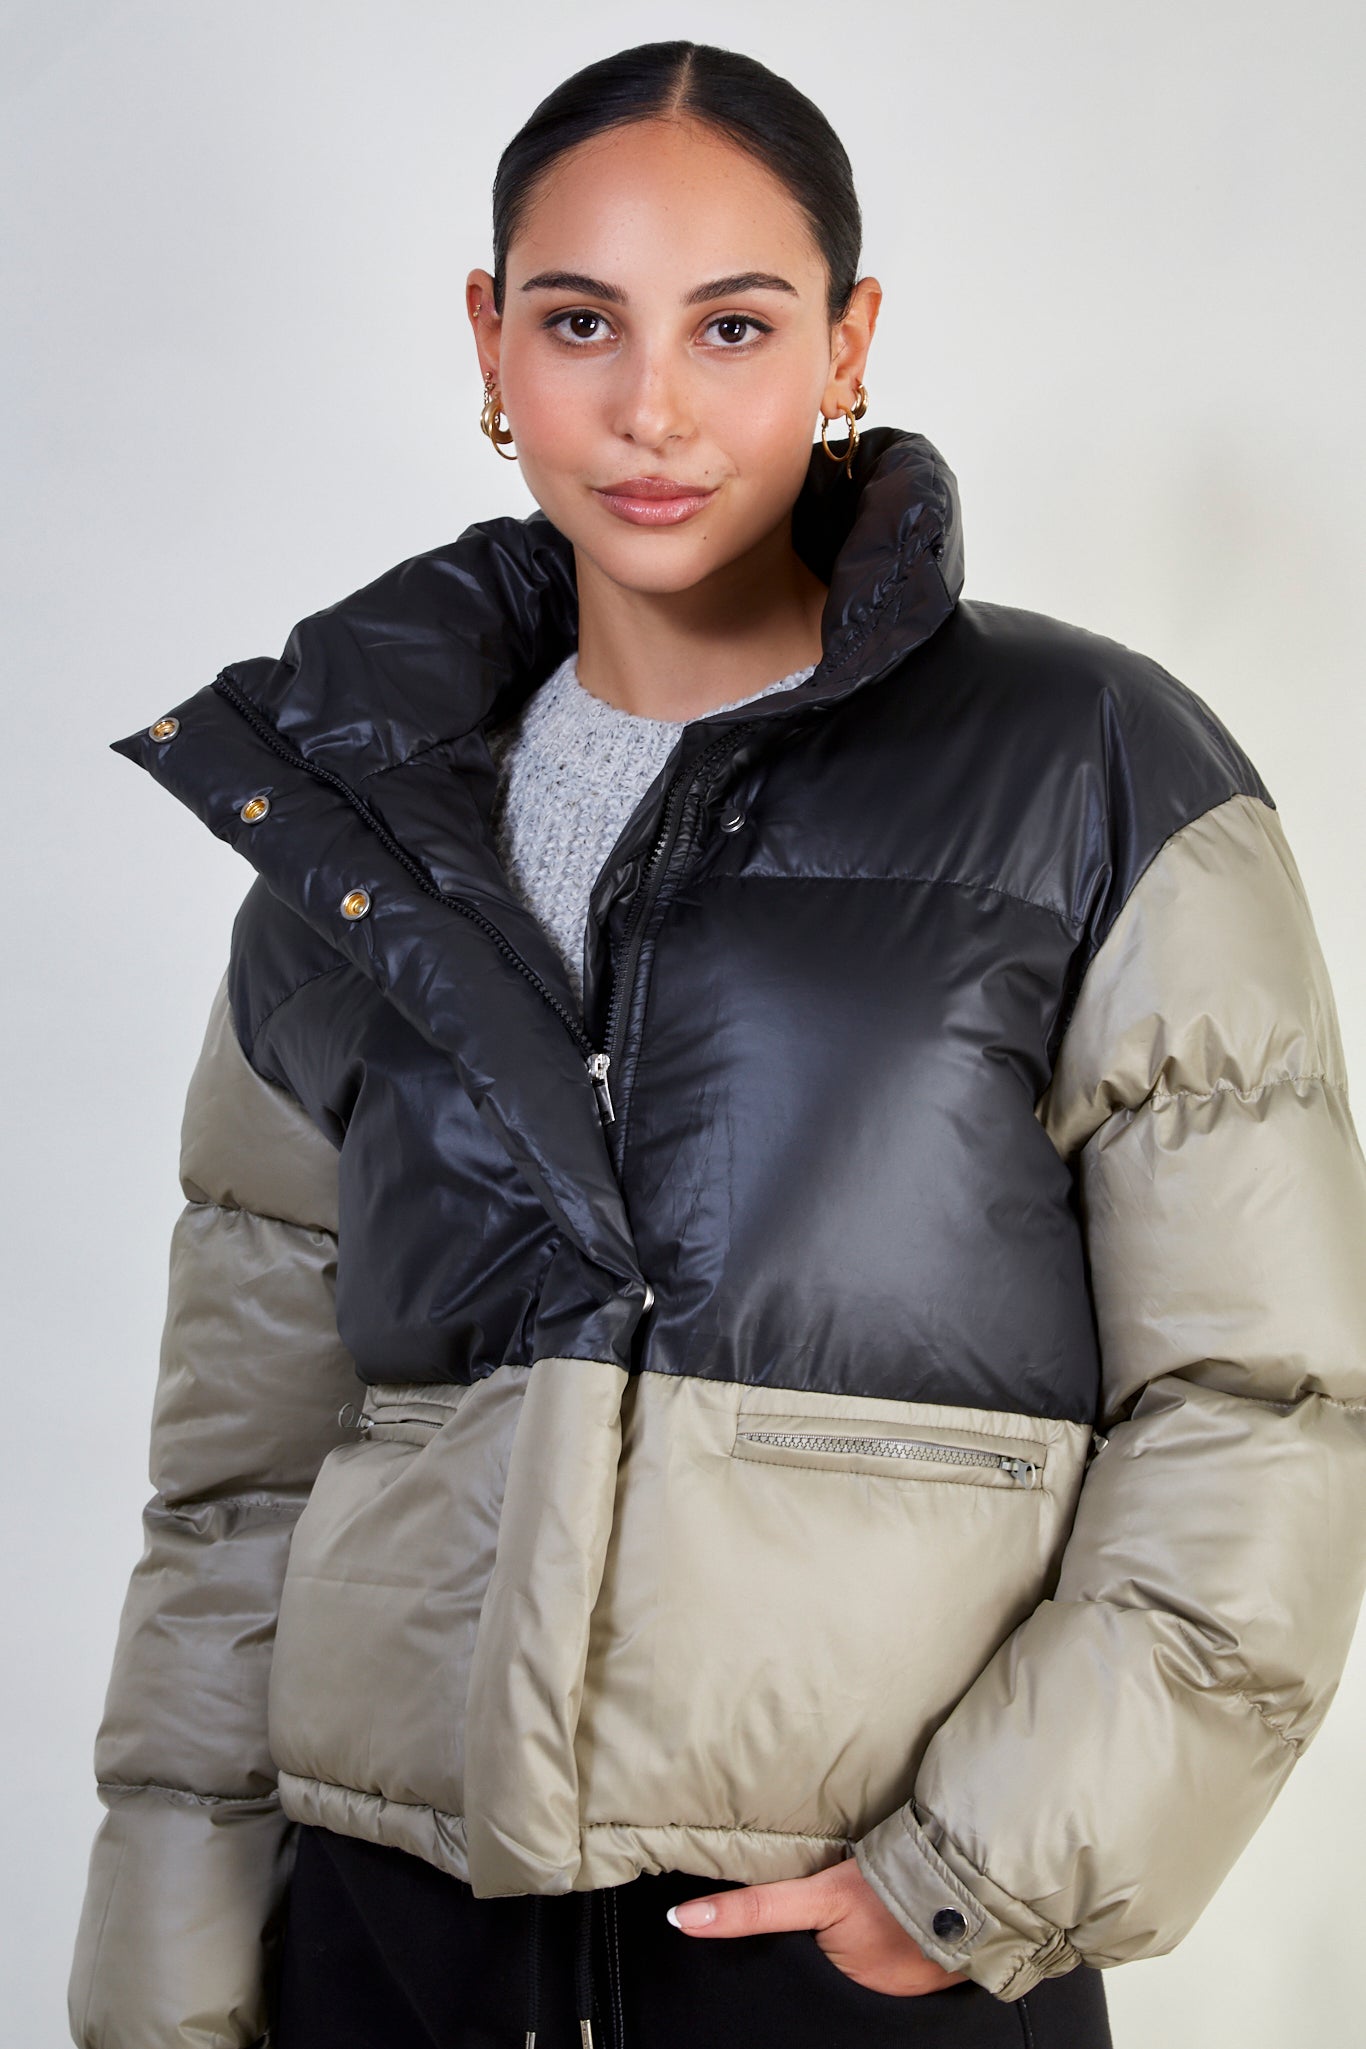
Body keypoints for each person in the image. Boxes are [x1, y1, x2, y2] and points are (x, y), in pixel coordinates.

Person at [68, 37, 1366, 2049]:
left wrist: (975, 1872)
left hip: (865, 1952)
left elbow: (1256, 1393)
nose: (651, 407)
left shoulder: (1092, 768)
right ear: (490, 343)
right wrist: (166, 1985)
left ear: (846, 343)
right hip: (388, 1949)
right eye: (580, 321)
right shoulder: (348, 829)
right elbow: (236, 1482)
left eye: (734, 325)